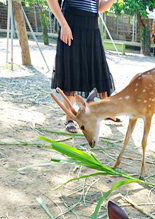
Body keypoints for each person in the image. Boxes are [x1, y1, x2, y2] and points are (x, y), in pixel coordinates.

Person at [47, 0, 119, 133]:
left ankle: (107, 112)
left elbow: (98, 7)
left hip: (92, 26)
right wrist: (63, 24)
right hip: (71, 24)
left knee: (100, 68)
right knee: (71, 70)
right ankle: (69, 118)